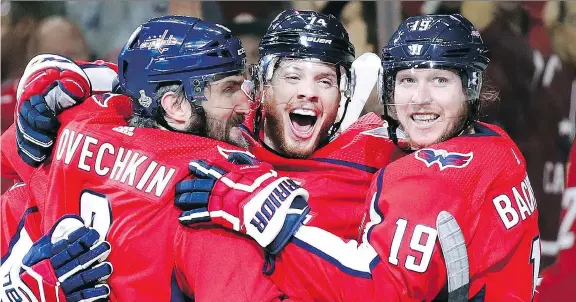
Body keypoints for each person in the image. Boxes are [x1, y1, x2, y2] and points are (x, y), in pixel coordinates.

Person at [178, 13, 541, 301]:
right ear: (262, 84)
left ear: (343, 93)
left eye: (441, 80)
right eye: (408, 80)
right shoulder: (495, 143)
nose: (420, 98)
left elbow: (380, 289)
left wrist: (266, 214)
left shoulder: (411, 168)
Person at [1, 15, 289, 301]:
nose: (247, 102)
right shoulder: (211, 183)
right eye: (229, 89)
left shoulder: (80, 121)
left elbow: (8, 163)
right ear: (175, 106)